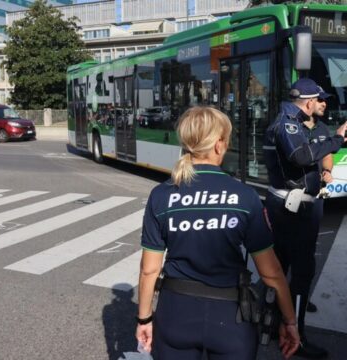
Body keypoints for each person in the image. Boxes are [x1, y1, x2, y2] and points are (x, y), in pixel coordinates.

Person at [136, 106, 300, 360]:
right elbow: (272, 273)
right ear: (218, 145)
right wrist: (289, 321)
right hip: (230, 318)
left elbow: (149, 270)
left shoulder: (162, 195)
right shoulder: (244, 196)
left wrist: (144, 318)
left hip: (175, 314)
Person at [263, 78, 347, 359]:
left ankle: (277, 318)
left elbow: (318, 153)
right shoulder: (287, 123)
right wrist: (339, 139)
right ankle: (294, 334)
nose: (323, 103)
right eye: (320, 99)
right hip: (292, 209)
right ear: (309, 101)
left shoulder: (300, 123)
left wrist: (327, 162)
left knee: (288, 264)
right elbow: (300, 156)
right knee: (300, 270)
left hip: (302, 207)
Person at [303, 88, 334, 314]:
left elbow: (327, 153)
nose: (324, 104)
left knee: (308, 251)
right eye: (321, 100)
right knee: (285, 253)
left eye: (326, 101)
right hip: (293, 199)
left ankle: (301, 297)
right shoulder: (293, 128)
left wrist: (327, 171)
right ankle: (275, 299)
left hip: (315, 198)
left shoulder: (322, 128)